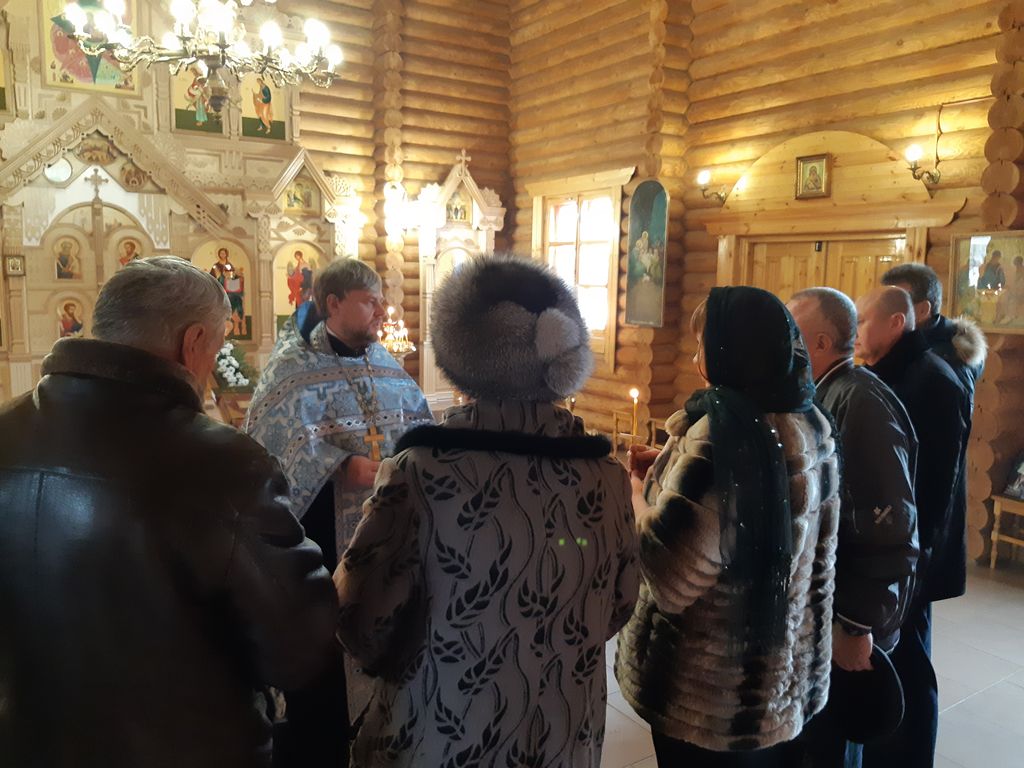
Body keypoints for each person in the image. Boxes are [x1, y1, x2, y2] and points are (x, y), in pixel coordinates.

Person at [0, 256, 337, 768]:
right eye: (218, 347)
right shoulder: (225, 464)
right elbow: (297, 650)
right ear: (193, 342)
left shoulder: (7, 430)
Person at [334, 254, 640, 767]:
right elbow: (620, 603)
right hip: (561, 736)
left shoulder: (422, 472)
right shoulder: (606, 476)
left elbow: (361, 620)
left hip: (439, 736)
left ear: (464, 353)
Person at [616, 286, 841, 767]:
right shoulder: (809, 423)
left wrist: (635, 494)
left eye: (703, 345)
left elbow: (669, 573)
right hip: (780, 677)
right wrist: (670, 467)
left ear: (729, 351)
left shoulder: (723, 437)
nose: (697, 359)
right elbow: (755, 511)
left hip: (709, 693)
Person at [245, 257, 433, 768]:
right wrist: (340, 465)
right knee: (326, 667)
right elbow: (270, 441)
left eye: (381, 302)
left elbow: (419, 424)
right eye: (370, 302)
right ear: (333, 303)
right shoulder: (291, 367)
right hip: (323, 537)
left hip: (387, 534)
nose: (381, 312)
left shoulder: (386, 363)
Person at [787, 287, 920, 767]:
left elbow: (890, 522)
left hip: (847, 617)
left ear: (820, 343)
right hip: (824, 611)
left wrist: (858, 623)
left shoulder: (860, 402)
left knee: (835, 744)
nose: (784, 343)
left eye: (792, 332)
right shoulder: (827, 392)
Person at [854, 287, 970, 768]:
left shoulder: (934, 380)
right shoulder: (892, 373)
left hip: (915, 555)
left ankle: (912, 757)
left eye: (863, 321)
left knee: (912, 665)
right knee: (892, 658)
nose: (855, 331)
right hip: (897, 550)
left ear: (896, 323)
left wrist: (913, 565)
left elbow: (936, 488)